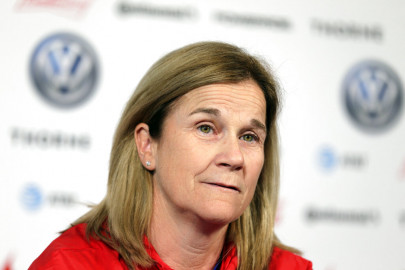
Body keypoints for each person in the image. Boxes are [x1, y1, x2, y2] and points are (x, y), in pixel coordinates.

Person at [29, 41, 312, 270]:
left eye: (249, 137)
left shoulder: (288, 268)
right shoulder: (67, 265)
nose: (234, 157)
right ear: (147, 145)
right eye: (206, 128)